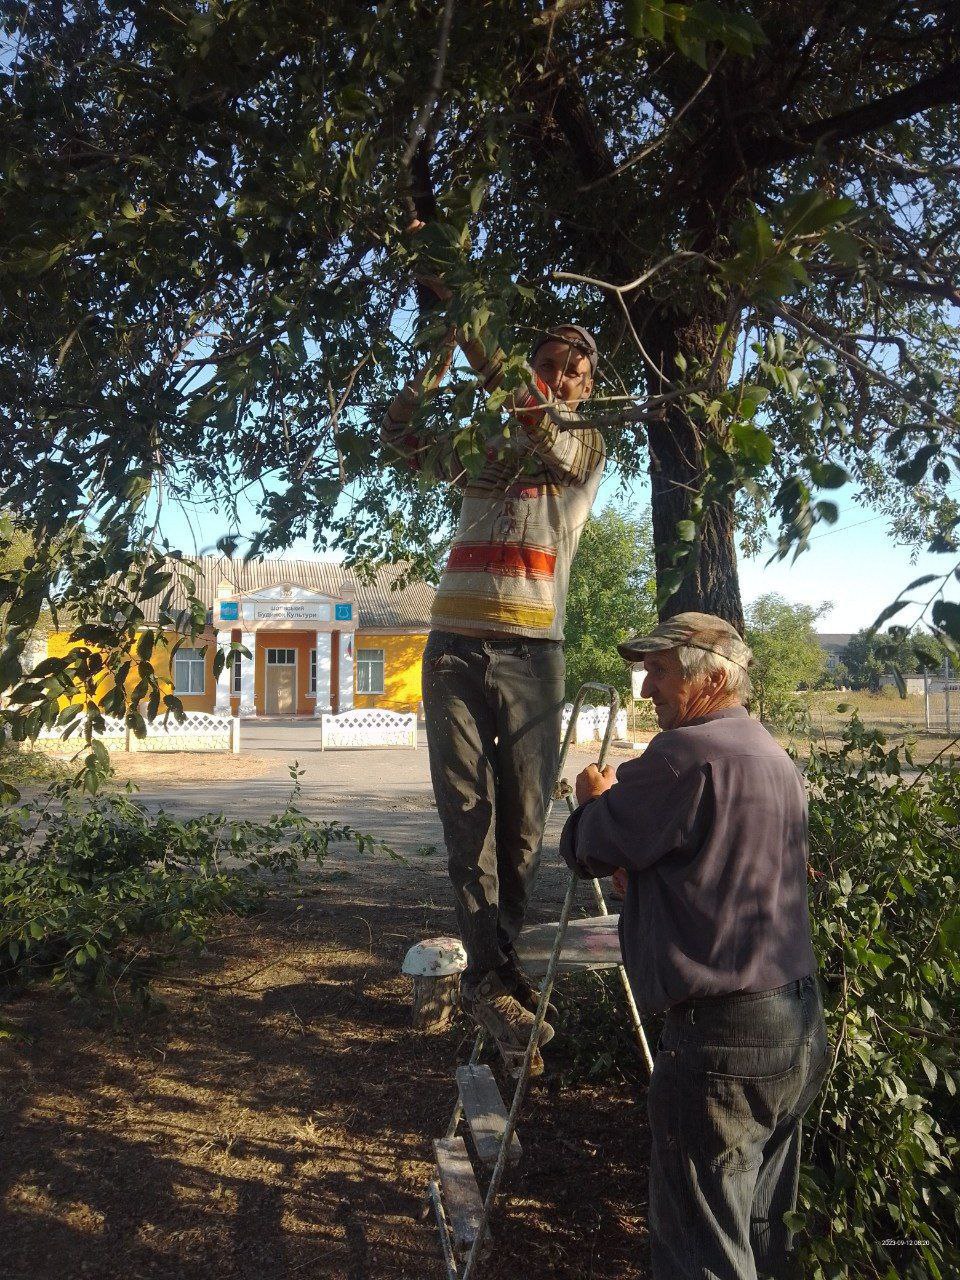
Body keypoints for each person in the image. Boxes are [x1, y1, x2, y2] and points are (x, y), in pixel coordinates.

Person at [559, 612, 830, 1280]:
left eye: (659, 671)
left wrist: (592, 799)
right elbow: (719, 869)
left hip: (721, 1039)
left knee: (700, 1244)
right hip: (793, 1023)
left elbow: (586, 848)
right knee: (761, 1226)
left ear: (711, 678)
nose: (648, 688)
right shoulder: (771, 757)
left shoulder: (684, 757)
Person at [382, 301, 605, 1074]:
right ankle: (490, 981)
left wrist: (483, 336)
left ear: (585, 389)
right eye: (548, 361)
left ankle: (496, 971)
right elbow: (399, 438)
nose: (560, 374)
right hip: (453, 647)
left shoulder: (581, 443)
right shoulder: (484, 444)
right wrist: (438, 360)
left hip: (534, 652)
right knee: (466, 818)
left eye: (575, 369)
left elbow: (539, 420)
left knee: (521, 827)